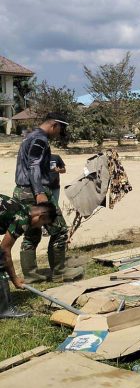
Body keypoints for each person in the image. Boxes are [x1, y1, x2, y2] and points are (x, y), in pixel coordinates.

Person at [15, 112, 83, 283]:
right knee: (59, 230)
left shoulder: (29, 136)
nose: (59, 133)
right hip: (35, 191)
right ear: (54, 125)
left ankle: (31, 274)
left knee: (32, 232)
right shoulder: (41, 139)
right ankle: (59, 272)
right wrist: (39, 192)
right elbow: (34, 166)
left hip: (21, 190)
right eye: (60, 129)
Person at [0, 196, 57, 319]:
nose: (38, 227)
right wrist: (14, 279)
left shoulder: (23, 207)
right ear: (40, 216)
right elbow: (4, 249)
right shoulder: (23, 218)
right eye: (42, 224)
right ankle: (4, 309)